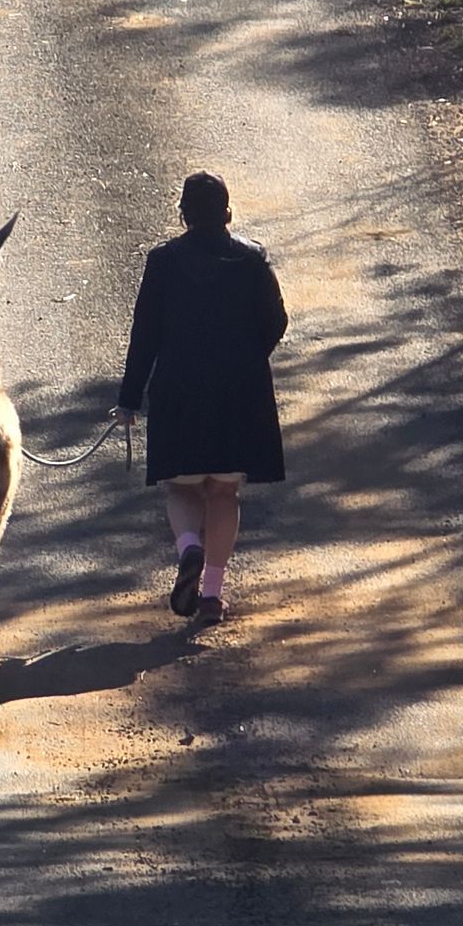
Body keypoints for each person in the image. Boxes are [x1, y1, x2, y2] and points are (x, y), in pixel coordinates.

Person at [114, 171, 288, 626]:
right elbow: (276, 320)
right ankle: (211, 593)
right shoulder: (252, 261)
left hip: (179, 392)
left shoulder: (163, 262)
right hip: (238, 394)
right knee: (224, 491)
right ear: (227, 212)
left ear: (184, 214)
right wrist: (249, 360)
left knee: (184, 485)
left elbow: (145, 334)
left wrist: (130, 398)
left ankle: (188, 547)